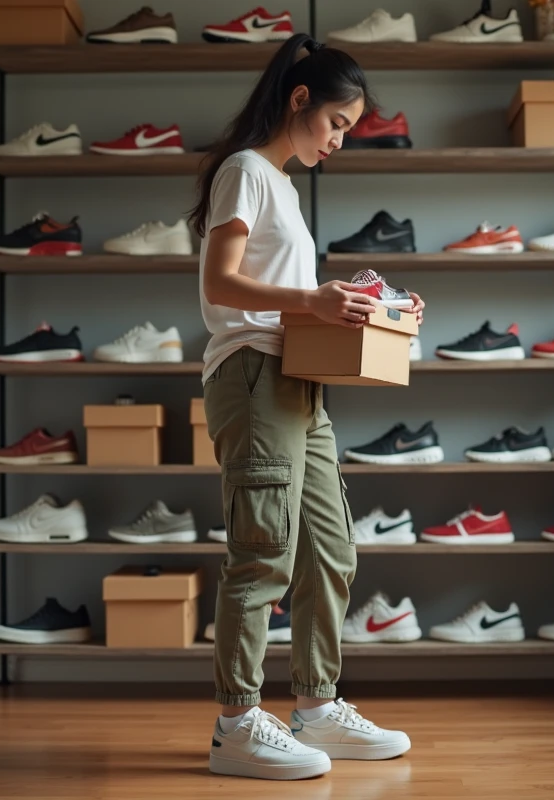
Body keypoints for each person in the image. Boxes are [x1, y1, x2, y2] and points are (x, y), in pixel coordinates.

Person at [190, 33, 424, 781]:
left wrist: (368, 299)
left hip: (297, 382)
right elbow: (222, 286)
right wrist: (313, 298)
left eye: (348, 130)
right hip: (253, 377)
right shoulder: (245, 173)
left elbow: (291, 293)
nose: (339, 141)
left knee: (330, 549)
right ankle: (236, 723)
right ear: (299, 101)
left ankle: (318, 706)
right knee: (261, 555)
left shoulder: (283, 187)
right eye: (337, 124)